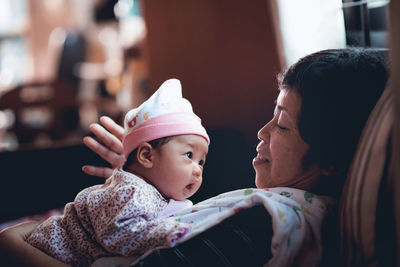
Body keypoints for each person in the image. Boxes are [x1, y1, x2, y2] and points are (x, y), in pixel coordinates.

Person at [0, 47, 388, 266]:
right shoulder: (283, 204)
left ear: (331, 157)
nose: (263, 132)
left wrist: (13, 247)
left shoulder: (261, 226)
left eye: (282, 126)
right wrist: (141, 179)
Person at [22, 78, 210, 266]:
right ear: (146, 155)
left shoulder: (152, 191)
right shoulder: (132, 191)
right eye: (188, 155)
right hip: (49, 250)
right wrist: (167, 233)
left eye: (201, 162)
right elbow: (118, 234)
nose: (197, 170)